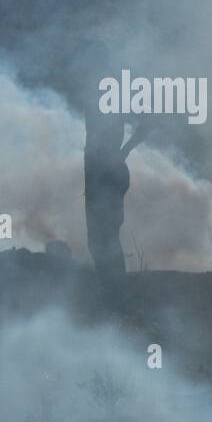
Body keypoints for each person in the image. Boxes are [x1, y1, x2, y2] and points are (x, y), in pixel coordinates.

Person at [84, 108, 154, 298]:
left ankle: (115, 295)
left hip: (107, 175)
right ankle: (113, 293)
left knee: (104, 238)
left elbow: (149, 120)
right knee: (100, 239)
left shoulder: (112, 98)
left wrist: (123, 152)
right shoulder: (103, 97)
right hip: (99, 176)